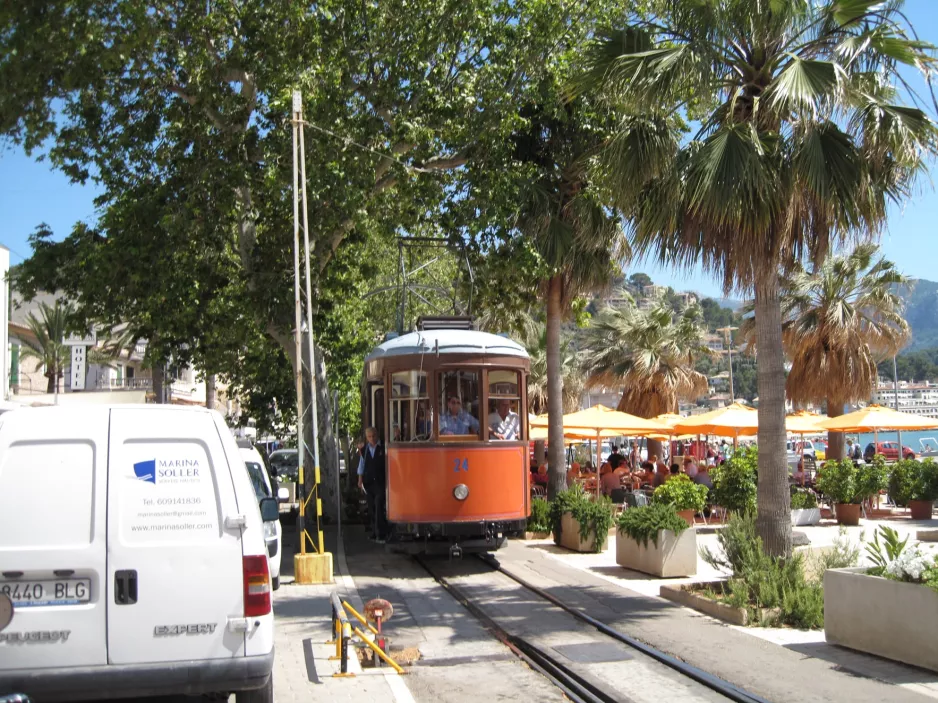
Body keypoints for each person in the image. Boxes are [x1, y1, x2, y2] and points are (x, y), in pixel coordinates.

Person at [357, 427, 388, 542]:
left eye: (373, 436)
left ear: (377, 435)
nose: (372, 439)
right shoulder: (364, 450)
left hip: (380, 482)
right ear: (367, 438)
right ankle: (374, 533)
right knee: (372, 508)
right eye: (369, 437)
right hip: (368, 482)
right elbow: (361, 465)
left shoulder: (383, 448)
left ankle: (381, 533)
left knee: (379, 504)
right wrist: (360, 480)